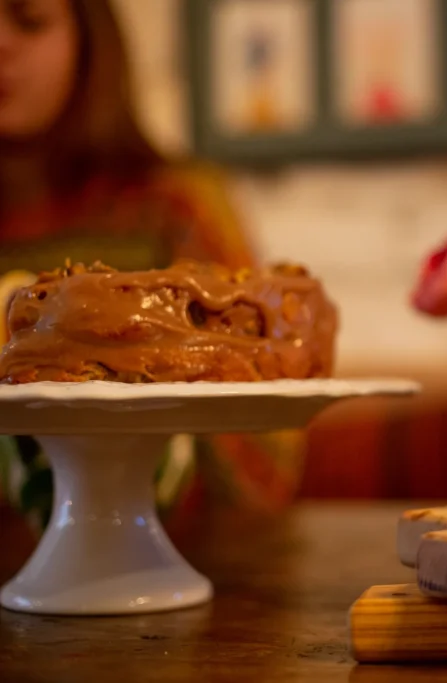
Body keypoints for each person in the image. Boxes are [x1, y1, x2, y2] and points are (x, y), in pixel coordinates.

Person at [0, 0, 307, 530]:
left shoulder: (174, 209)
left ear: (92, 42)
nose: (1, 44)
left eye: (30, 21)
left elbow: (265, 472)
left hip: (180, 553)